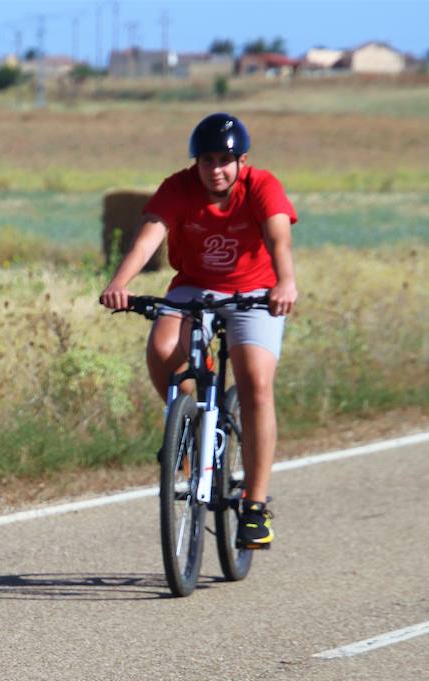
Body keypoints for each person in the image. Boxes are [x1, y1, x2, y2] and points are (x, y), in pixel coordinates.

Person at [99, 112, 297, 549]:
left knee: (255, 383)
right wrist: (120, 283)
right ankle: (188, 430)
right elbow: (149, 235)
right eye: (206, 160)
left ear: (241, 160)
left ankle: (255, 506)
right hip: (193, 287)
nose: (216, 169)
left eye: (225, 160)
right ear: (196, 162)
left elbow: (278, 237)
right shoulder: (178, 187)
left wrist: (285, 282)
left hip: (255, 292)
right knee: (162, 344)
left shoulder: (262, 186)